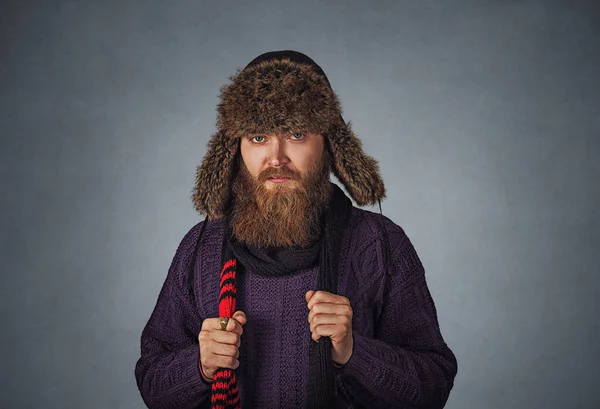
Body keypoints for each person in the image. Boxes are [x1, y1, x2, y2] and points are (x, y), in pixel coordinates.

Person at [134, 50, 458, 409]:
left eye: (296, 133)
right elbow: (152, 382)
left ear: (329, 144)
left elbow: (432, 387)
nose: (276, 157)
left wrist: (353, 352)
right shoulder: (202, 247)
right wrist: (199, 365)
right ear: (235, 148)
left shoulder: (379, 243)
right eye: (257, 136)